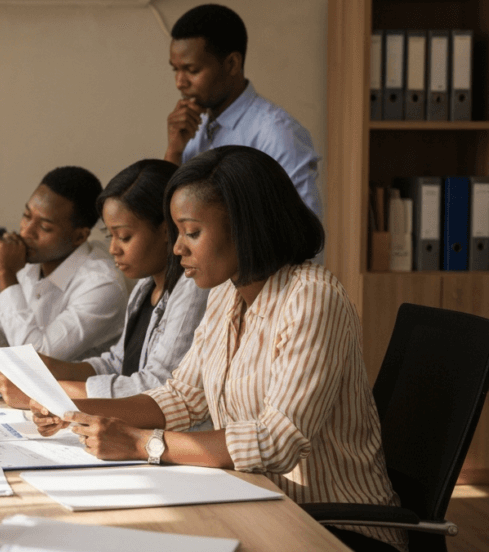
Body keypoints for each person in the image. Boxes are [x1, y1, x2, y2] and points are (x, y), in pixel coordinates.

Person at [31, 146, 405, 552]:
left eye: (192, 233)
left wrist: (142, 443)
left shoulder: (312, 298)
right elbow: (182, 397)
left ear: (246, 227)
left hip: (333, 527)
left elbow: (277, 440)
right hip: (257, 500)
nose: (177, 249)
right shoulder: (227, 292)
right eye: (177, 233)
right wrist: (77, 413)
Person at [0, 160, 209, 408]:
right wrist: (31, 367)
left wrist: (47, 391)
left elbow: (156, 385)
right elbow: (116, 363)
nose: (113, 249)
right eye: (110, 235)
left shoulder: (191, 288)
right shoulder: (144, 286)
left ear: (166, 230)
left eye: (124, 237)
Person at [0, 166, 126, 362]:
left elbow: (38, 357)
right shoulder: (34, 259)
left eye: (44, 227)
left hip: (79, 396)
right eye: (26, 215)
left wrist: (5, 274)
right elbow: (3, 323)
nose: (26, 232)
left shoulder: (102, 285)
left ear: (79, 236)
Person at [164, 3, 322, 218]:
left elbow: (306, 236)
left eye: (192, 70)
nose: (180, 83)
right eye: (176, 70)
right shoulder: (193, 127)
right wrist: (174, 151)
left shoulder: (277, 134)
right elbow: (166, 219)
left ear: (232, 64)